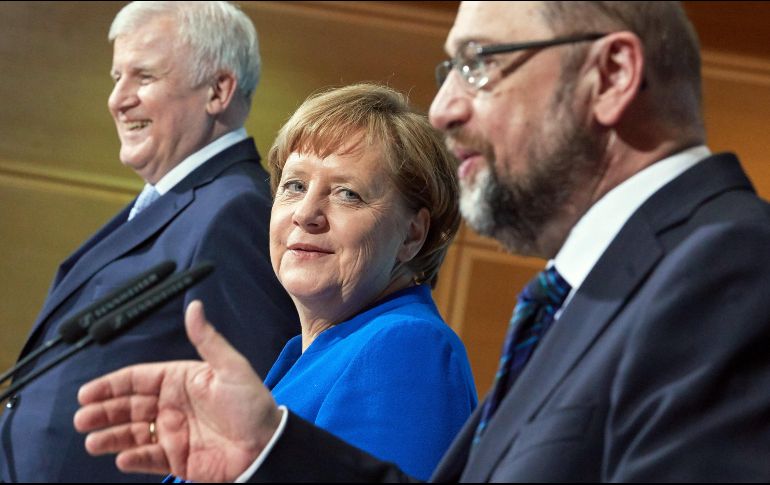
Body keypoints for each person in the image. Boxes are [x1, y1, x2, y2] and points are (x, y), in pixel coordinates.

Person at [73, 0, 770, 482]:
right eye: (293, 185)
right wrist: (268, 453)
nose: (444, 107)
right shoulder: (589, 294)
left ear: (612, 75)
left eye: (479, 61)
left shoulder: (728, 266)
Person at [0, 1, 299, 482]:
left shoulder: (235, 213)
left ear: (218, 90)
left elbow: (253, 416)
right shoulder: (172, 201)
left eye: (143, 77)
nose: (118, 99)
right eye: (116, 77)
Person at [160, 83, 476, 482]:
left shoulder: (407, 346)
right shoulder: (304, 357)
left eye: (347, 194)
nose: (306, 213)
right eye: (294, 186)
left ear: (412, 235)